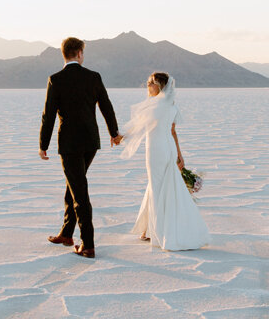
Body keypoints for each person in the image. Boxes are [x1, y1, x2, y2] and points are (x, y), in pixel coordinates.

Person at [39, 37, 122, 259]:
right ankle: (67, 234)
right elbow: (107, 106)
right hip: (90, 142)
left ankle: (88, 244)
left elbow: (48, 115)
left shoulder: (56, 79)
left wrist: (43, 145)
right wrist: (114, 133)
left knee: (79, 192)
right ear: (79, 53)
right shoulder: (93, 77)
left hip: (69, 143)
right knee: (74, 185)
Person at [121, 72, 209, 251]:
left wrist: (120, 137)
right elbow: (173, 131)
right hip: (167, 148)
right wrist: (179, 154)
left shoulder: (155, 106)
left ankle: (157, 231)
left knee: (156, 187)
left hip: (155, 150)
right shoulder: (171, 106)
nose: (147, 86)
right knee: (160, 185)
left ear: (159, 86)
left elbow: (138, 126)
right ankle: (147, 229)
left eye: (150, 83)